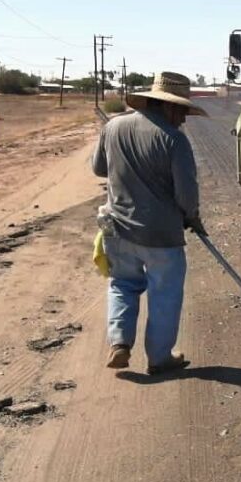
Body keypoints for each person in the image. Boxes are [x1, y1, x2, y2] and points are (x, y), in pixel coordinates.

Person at [91, 71, 206, 374]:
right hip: (161, 235)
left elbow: (99, 168)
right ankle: (159, 358)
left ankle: (119, 343)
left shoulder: (113, 126)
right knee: (164, 294)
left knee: (123, 285)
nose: (183, 119)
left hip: (118, 229)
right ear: (167, 105)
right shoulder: (174, 139)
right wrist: (192, 217)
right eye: (181, 110)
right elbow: (186, 193)